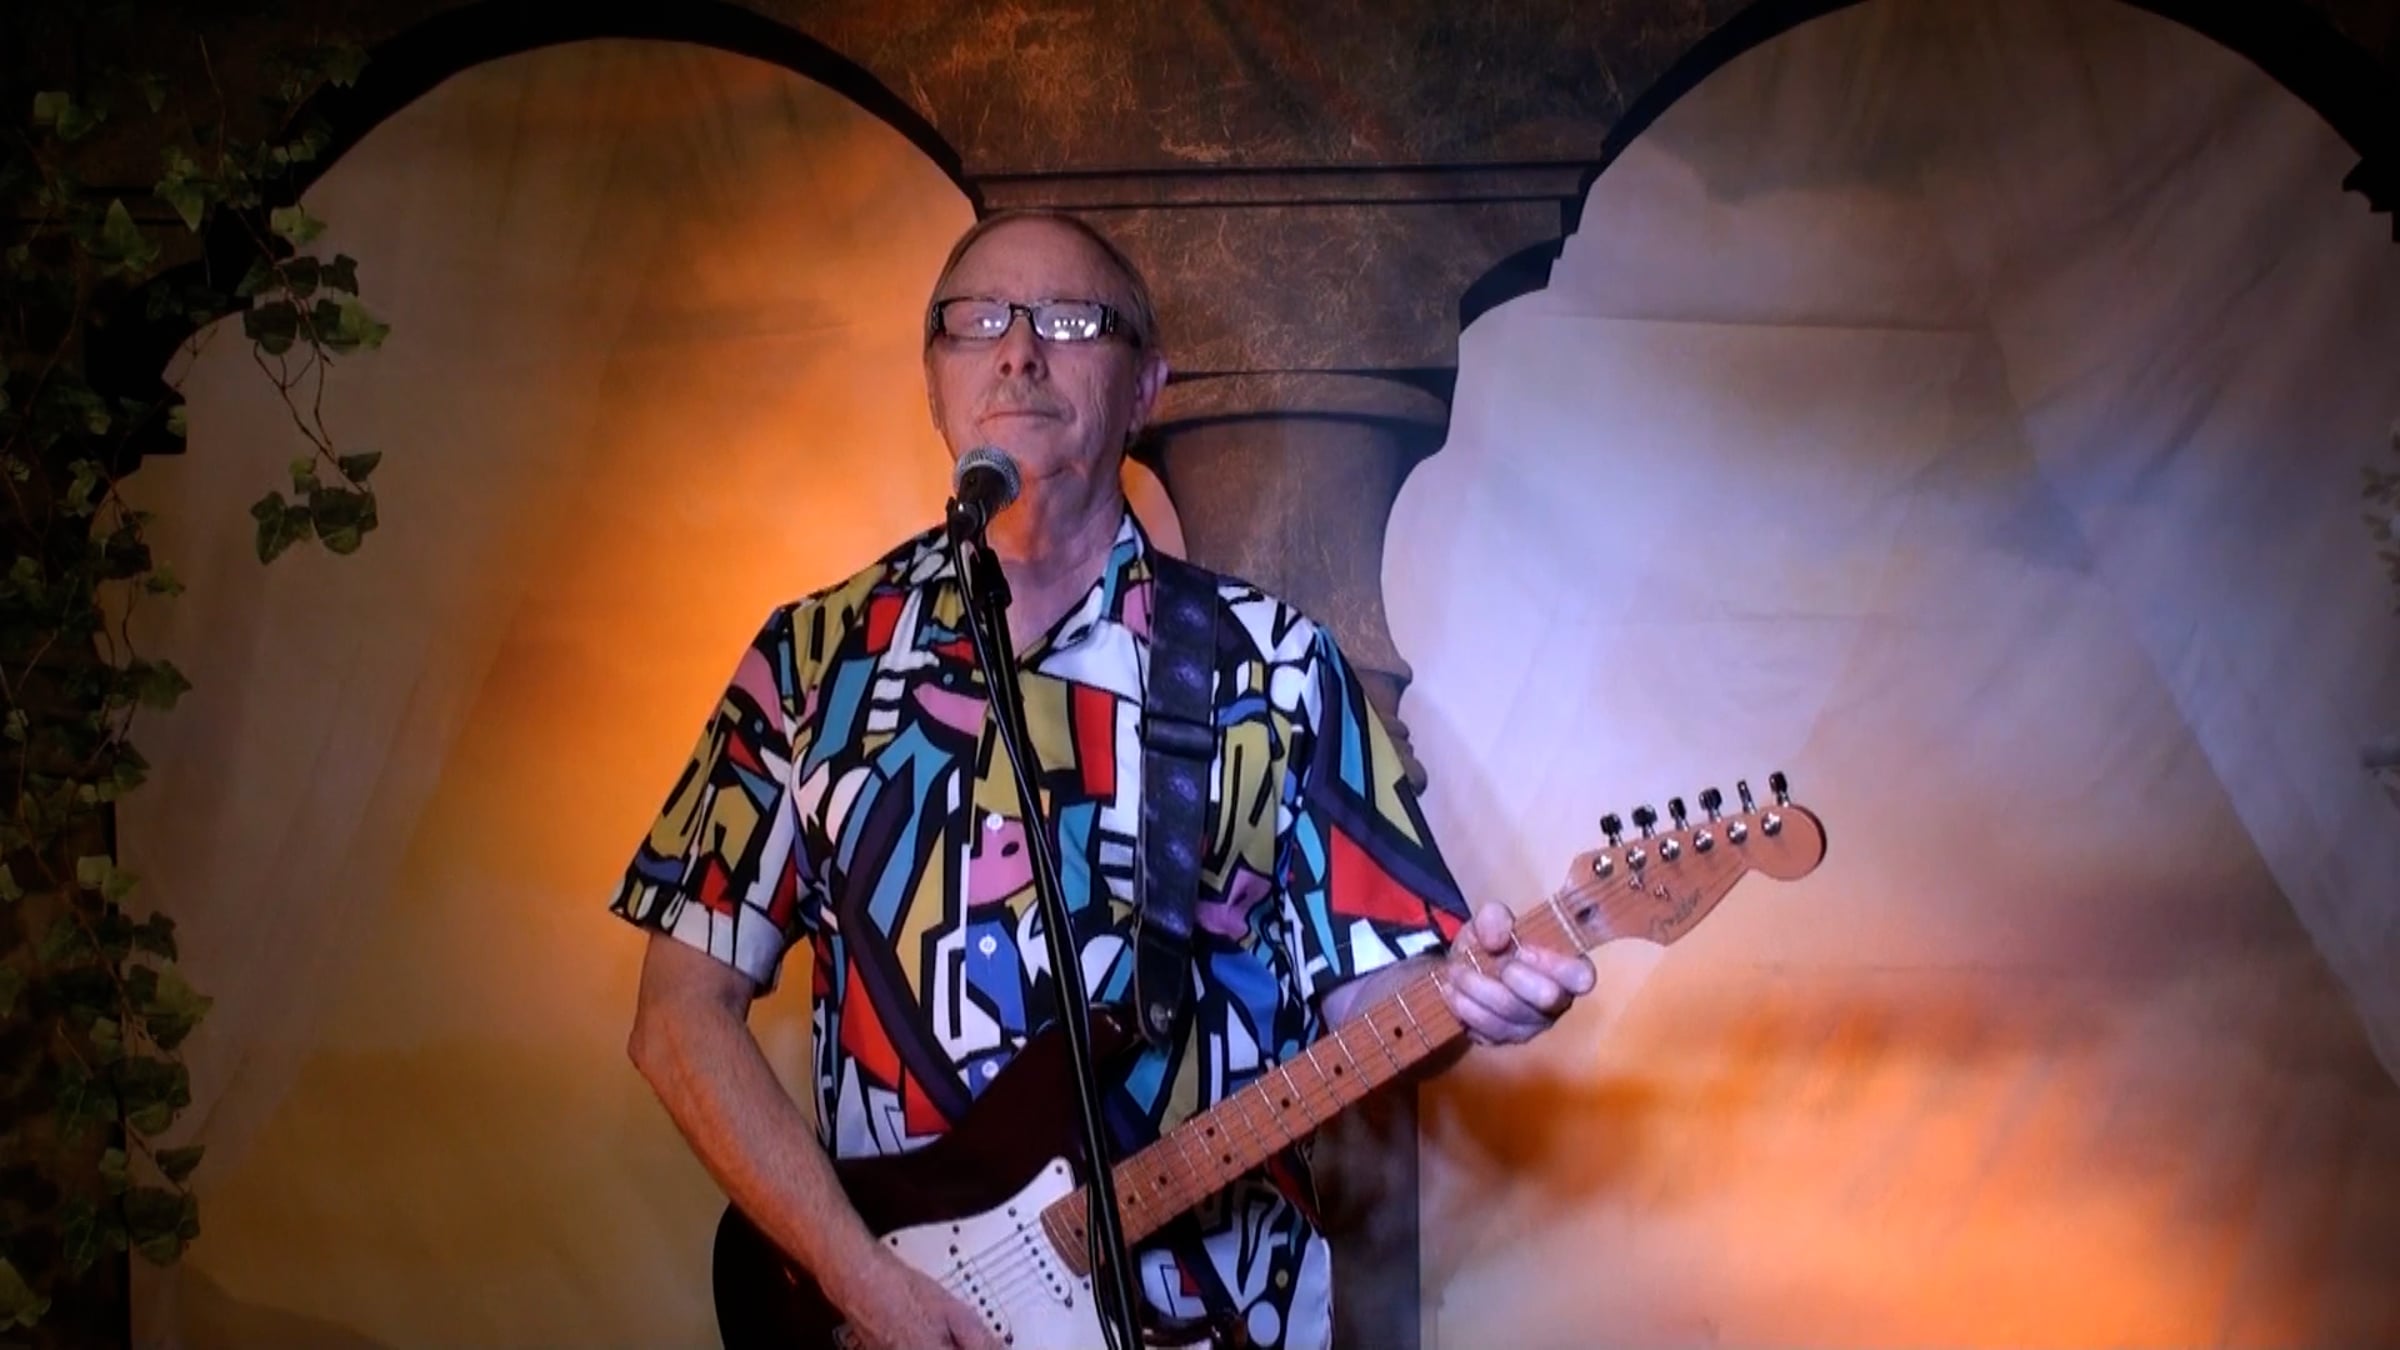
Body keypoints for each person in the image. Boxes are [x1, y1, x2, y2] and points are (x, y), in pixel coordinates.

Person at [612, 210, 1596, 1350]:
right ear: (933, 381)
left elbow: (1373, 993)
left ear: (1146, 391)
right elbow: (679, 1016)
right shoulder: (809, 662)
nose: (1018, 351)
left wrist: (1465, 1001)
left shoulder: (1272, 666)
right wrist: (852, 1273)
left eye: (1073, 321)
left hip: (1223, 1321)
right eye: (977, 321)